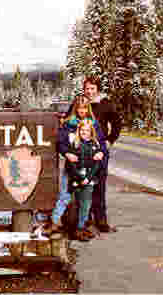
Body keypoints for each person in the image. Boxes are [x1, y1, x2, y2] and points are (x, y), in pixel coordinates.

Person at [67, 75, 122, 233]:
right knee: (83, 183)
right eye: (87, 89)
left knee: (100, 184)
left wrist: (110, 140)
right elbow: (68, 119)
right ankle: (85, 218)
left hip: (99, 149)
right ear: (83, 89)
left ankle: (101, 219)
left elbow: (117, 123)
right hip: (83, 150)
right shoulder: (79, 103)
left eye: (92, 88)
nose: (89, 91)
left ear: (97, 89)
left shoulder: (105, 103)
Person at [46, 96, 107, 238]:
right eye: (79, 108)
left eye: (85, 108)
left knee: (85, 200)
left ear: (88, 109)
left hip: (88, 168)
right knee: (64, 195)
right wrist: (66, 153)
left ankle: (81, 226)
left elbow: (101, 143)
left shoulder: (94, 124)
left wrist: (100, 153)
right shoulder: (68, 124)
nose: (82, 110)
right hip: (72, 167)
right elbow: (61, 142)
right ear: (75, 108)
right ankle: (55, 222)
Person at [66, 119, 103, 241]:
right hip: (76, 178)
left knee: (86, 204)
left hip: (89, 179)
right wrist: (79, 177)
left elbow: (97, 165)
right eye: (82, 130)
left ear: (91, 132)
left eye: (87, 130)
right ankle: (73, 228)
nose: (84, 132)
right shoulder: (75, 144)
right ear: (79, 131)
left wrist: (88, 178)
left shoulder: (95, 145)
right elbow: (71, 164)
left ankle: (81, 228)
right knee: (75, 203)